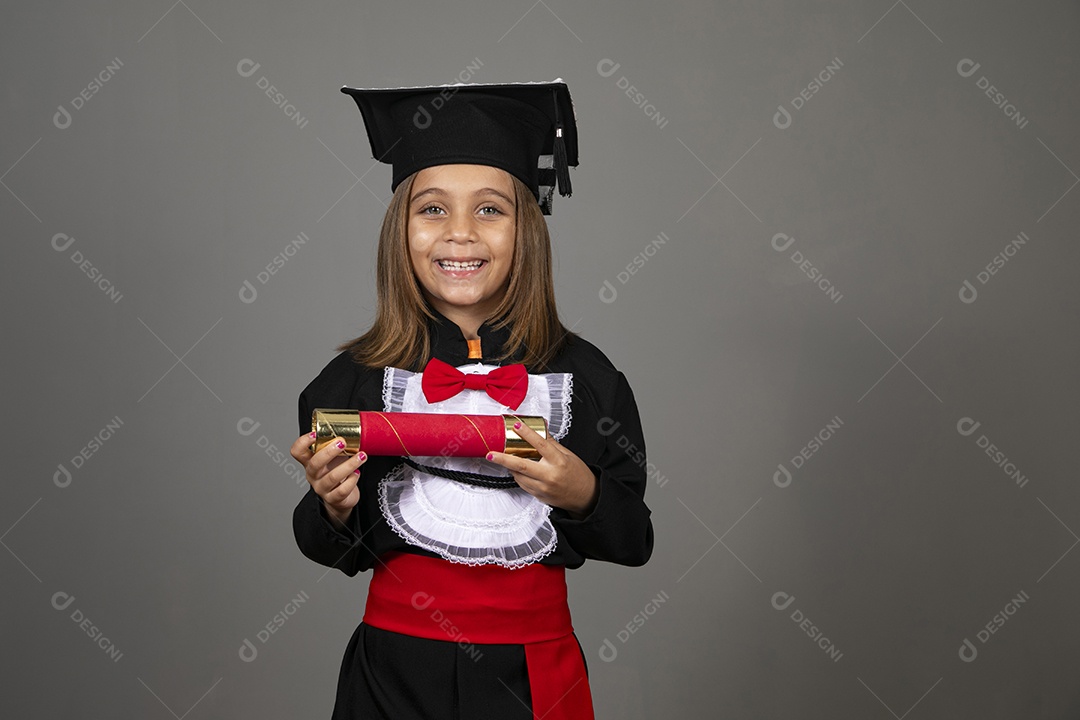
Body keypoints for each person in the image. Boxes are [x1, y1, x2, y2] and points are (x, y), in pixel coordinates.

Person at [289, 80, 654, 720]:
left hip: (531, 671)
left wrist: (582, 492)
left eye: (490, 209)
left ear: (528, 229)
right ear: (399, 229)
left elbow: (634, 537)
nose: (460, 234)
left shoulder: (589, 379)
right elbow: (327, 548)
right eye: (432, 209)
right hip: (393, 675)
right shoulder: (352, 380)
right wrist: (332, 505)